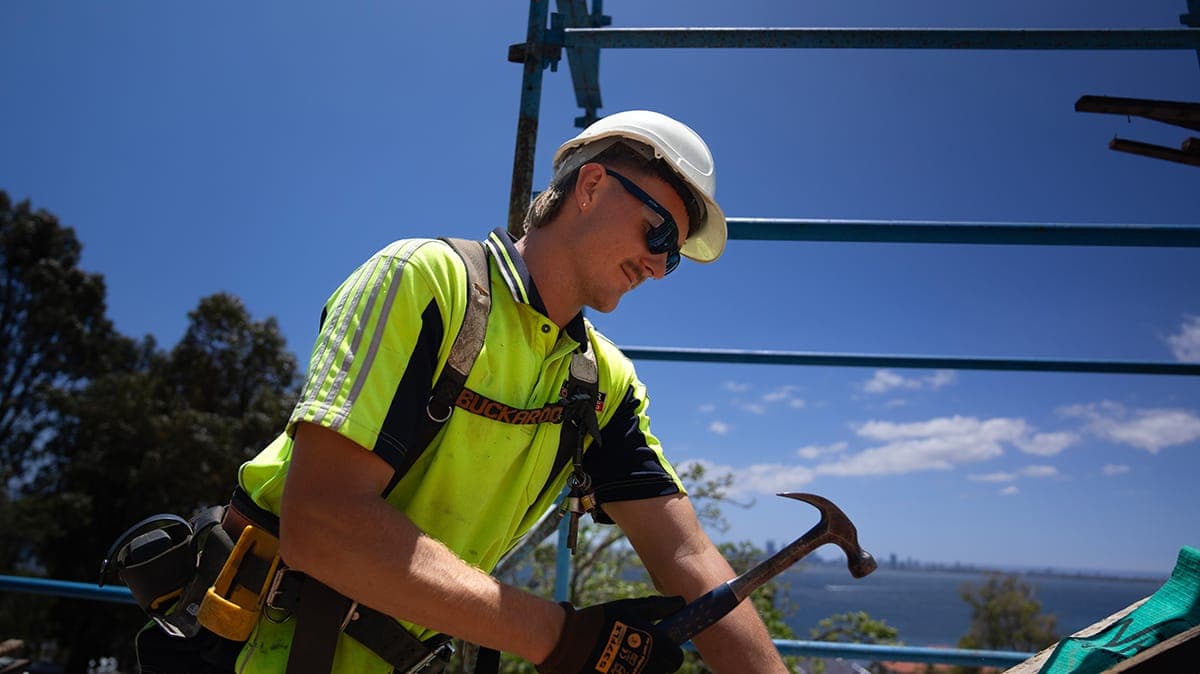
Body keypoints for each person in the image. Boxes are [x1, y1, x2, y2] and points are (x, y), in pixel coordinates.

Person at [215, 110, 788, 673]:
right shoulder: (427, 281)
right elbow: (322, 522)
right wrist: (556, 637)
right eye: (659, 232)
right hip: (257, 649)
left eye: (675, 256)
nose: (660, 266)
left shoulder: (600, 384)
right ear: (591, 186)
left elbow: (686, 556)